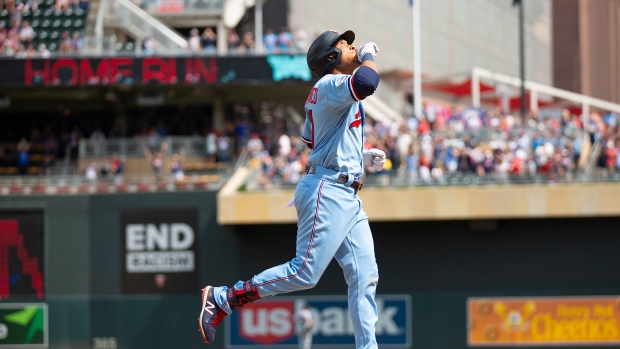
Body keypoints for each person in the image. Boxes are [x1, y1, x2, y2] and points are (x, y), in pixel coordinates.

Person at [198, 29, 385, 349]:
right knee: (306, 273)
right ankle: (224, 297)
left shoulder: (330, 90)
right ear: (331, 57)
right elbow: (367, 82)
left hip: (345, 192)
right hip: (328, 190)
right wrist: (367, 56)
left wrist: (359, 156)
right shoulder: (330, 84)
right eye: (344, 44)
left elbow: (314, 140)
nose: (352, 45)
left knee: (365, 276)